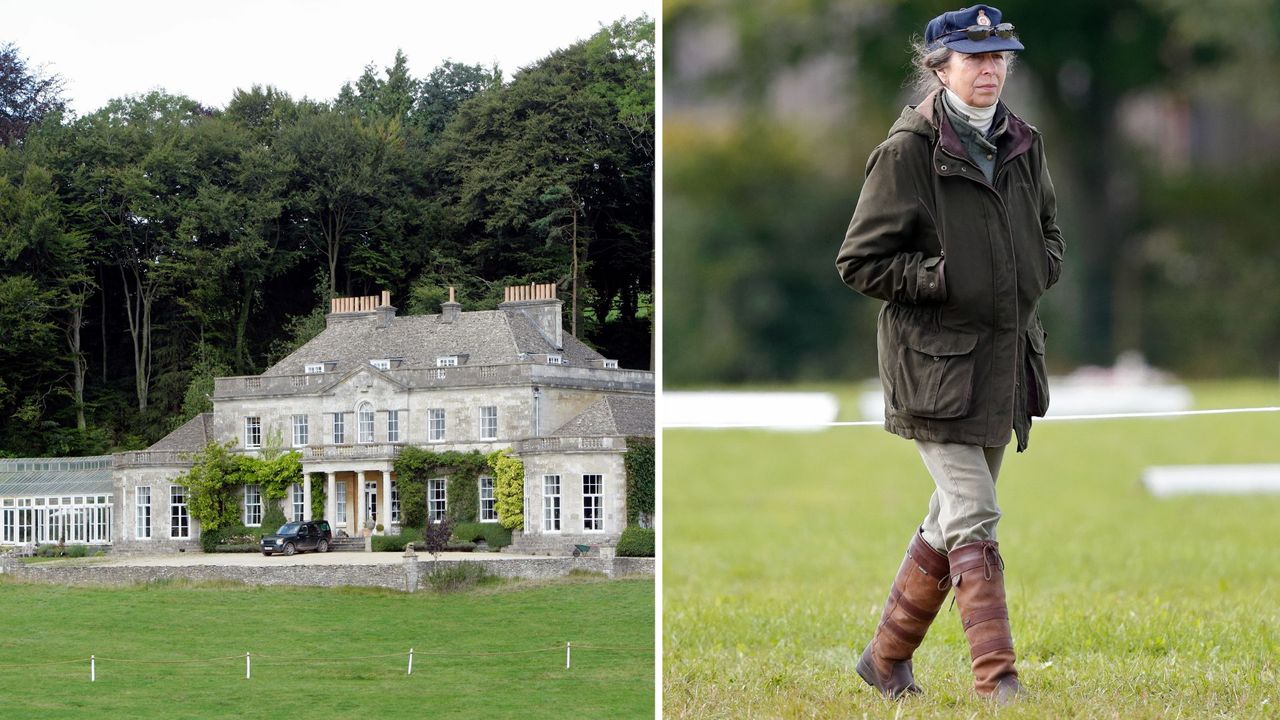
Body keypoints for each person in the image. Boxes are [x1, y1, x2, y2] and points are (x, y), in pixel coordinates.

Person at [834, 3, 1064, 704]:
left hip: (1004, 365)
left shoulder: (1025, 141)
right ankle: (999, 680)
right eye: (974, 58)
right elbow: (859, 261)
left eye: (998, 58)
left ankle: (884, 658)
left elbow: (1050, 232)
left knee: (949, 519)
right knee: (975, 514)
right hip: (933, 372)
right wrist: (939, 278)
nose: (989, 69)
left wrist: (1040, 269)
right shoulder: (907, 150)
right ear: (940, 68)